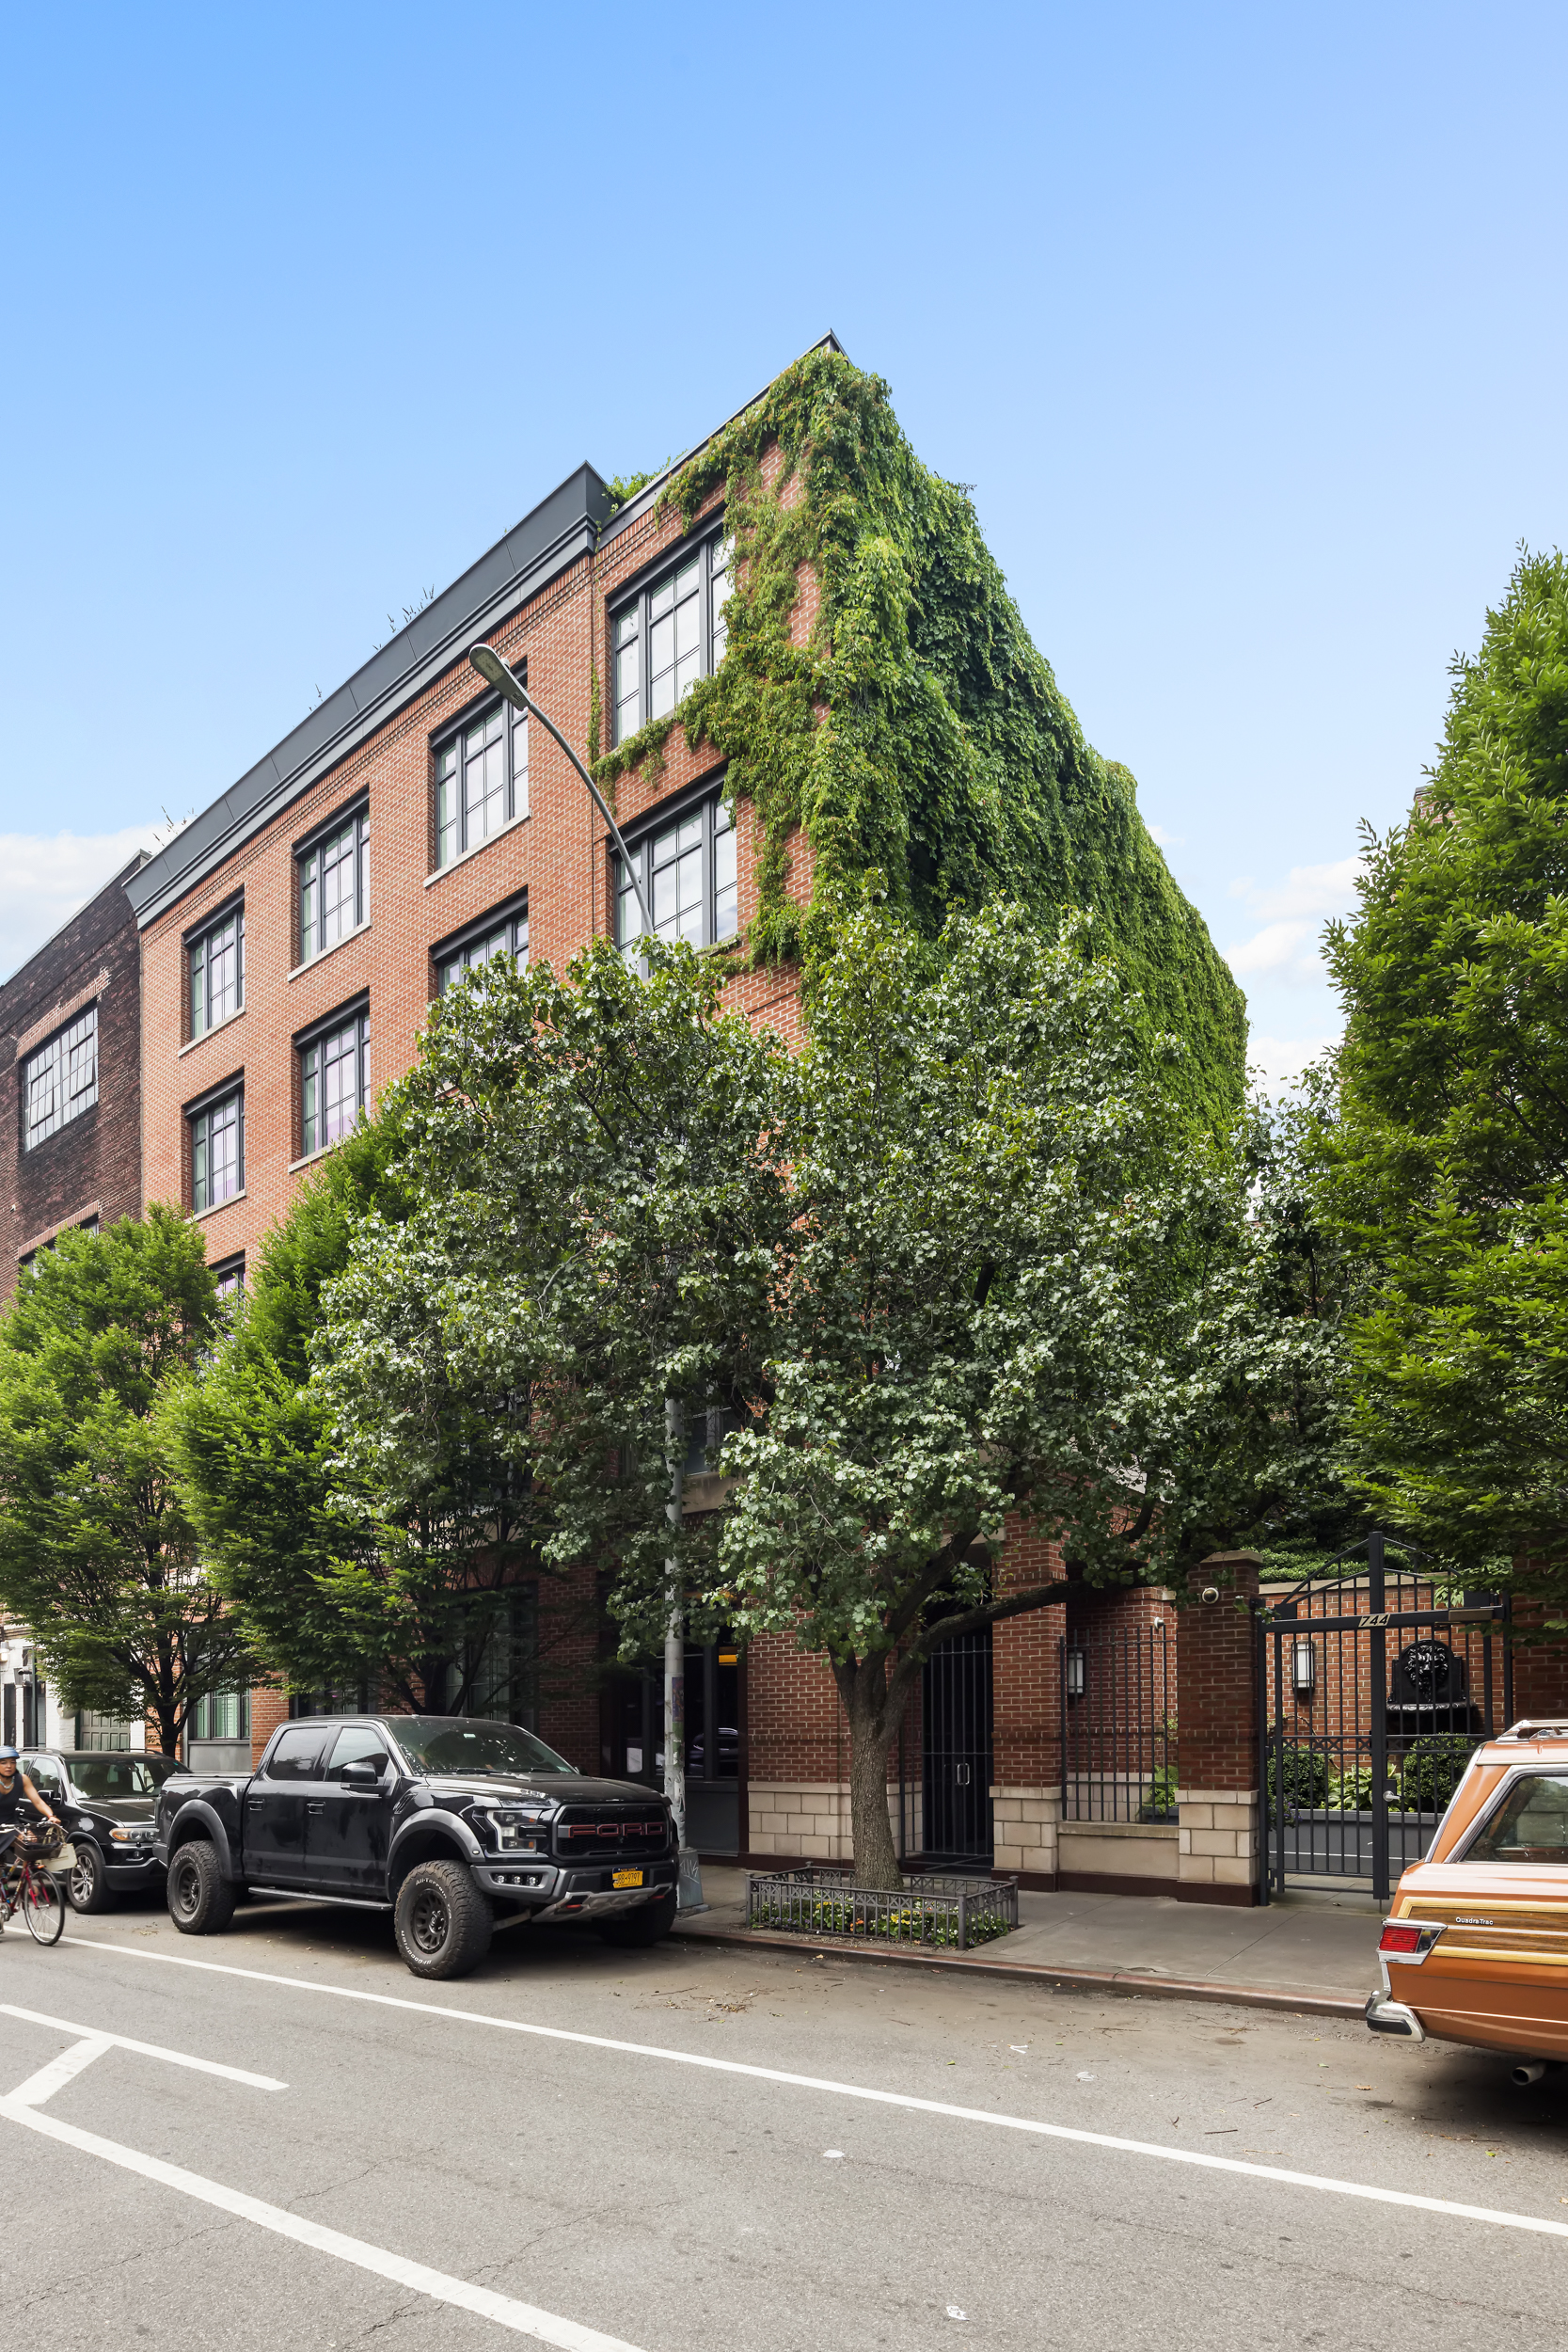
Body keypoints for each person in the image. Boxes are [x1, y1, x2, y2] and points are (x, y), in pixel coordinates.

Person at [0, 1745, 59, 1877]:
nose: (8, 1766)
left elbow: (38, 1801)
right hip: (0, 1827)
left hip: (11, 1824)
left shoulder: (22, 1779)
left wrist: (51, 1815)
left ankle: (29, 1880)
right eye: (3, 1763)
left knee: (30, 1842)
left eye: (12, 1762)